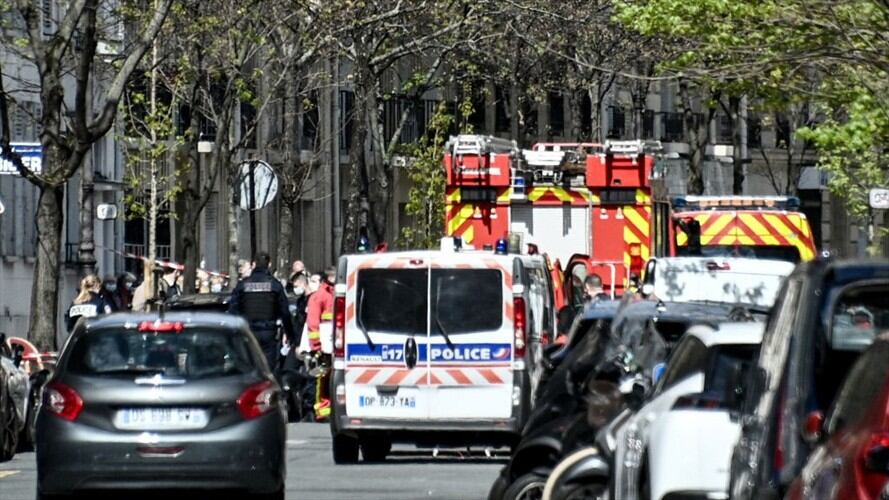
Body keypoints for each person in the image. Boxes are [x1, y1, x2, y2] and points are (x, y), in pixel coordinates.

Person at [228, 251, 295, 370]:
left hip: (248, 333)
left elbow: (233, 310)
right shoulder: (275, 285)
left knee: (249, 368)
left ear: (254, 264)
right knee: (268, 370)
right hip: (268, 333)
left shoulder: (243, 285)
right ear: (269, 265)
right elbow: (285, 312)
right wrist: (290, 335)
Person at [304, 266, 335, 421]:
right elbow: (313, 323)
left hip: (338, 345)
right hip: (325, 346)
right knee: (322, 378)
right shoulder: (319, 296)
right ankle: (322, 411)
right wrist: (317, 345)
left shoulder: (337, 293)